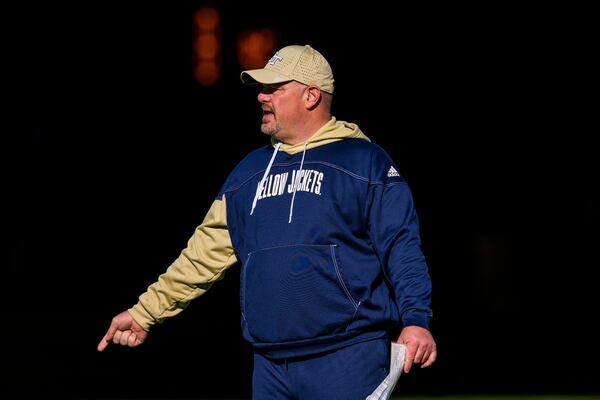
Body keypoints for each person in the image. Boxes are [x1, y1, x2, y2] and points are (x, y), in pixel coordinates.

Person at [98, 44, 437, 399]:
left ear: (311, 96)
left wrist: (416, 320)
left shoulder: (364, 161)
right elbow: (201, 257)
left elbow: (402, 247)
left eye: (275, 88)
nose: (262, 97)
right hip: (270, 367)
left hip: (348, 359)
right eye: (262, 88)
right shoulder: (247, 173)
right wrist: (143, 313)